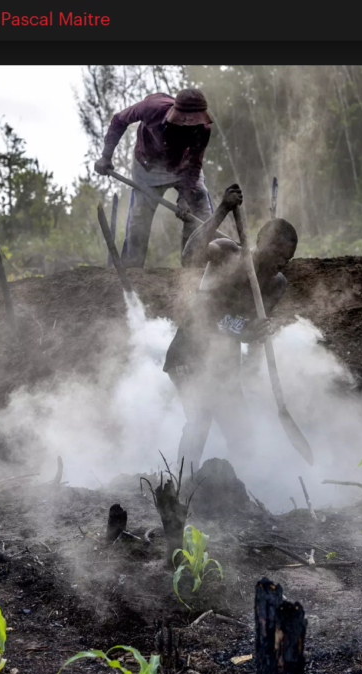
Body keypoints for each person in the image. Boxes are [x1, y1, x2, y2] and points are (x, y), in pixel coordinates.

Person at [162, 195, 298, 473]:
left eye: (288, 258)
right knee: (200, 419)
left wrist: (255, 333)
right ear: (263, 243)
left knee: (243, 433)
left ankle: (238, 493)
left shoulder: (275, 284)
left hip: (223, 364)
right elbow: (189, 256)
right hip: (189, 350)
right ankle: (180, 487)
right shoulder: (228, 253)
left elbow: (245, 333)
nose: (282, 263)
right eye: (279, 254)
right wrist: (223, 208)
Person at [94, 89, 213, 267]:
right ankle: (132, 271)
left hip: (183, 168)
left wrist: (184, 197)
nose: (188, 124)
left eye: (193, 121)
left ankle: (194, 267)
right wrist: (106, 156)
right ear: (176, 112)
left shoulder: (203, 129)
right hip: (148, 168)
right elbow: (119, 119)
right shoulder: (151, 108)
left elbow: (194, 164)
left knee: (200, 205)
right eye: (184, 120)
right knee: (139, 217)